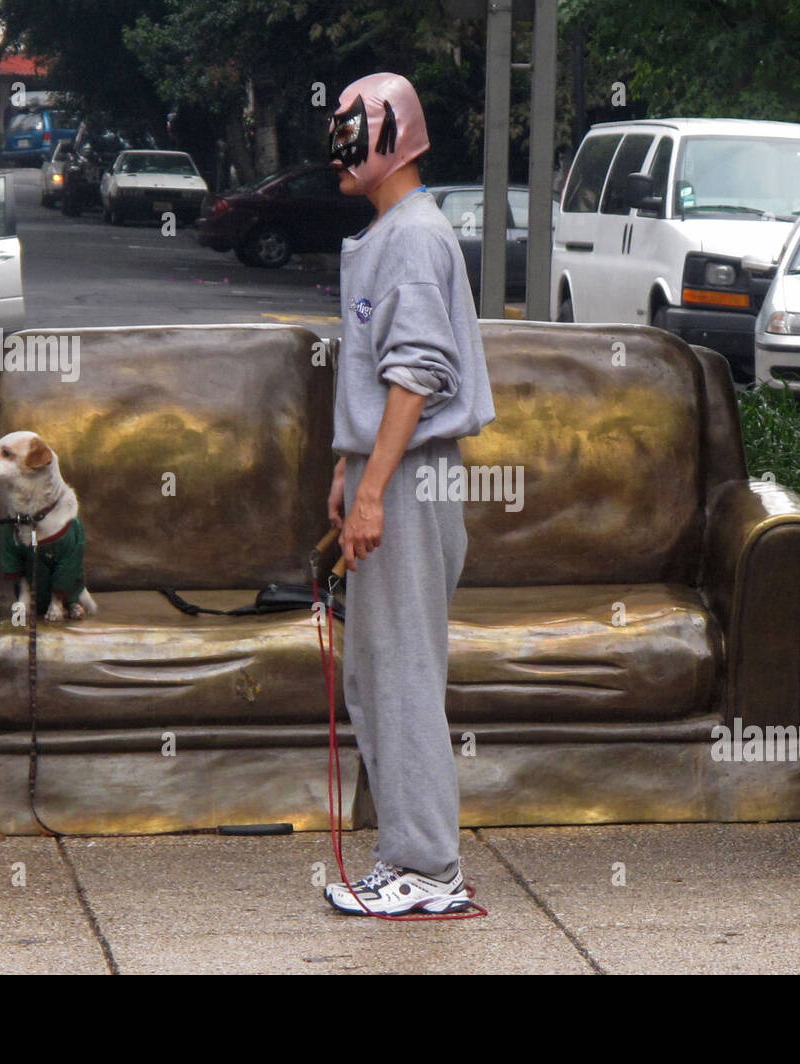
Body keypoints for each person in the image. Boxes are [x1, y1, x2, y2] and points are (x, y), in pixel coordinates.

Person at [323, 72, 495, 916]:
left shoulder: (416, 237)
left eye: (348, 131)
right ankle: (410, 859)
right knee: (377, 674)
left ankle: (428, 869)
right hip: (391, 473)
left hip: (411, 482)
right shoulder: (394, 232)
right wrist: (348, 471)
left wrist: (373, 489)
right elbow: (382, 369)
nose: (336, 150)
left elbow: (419, 373)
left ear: (387, 134)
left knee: (403, 673)